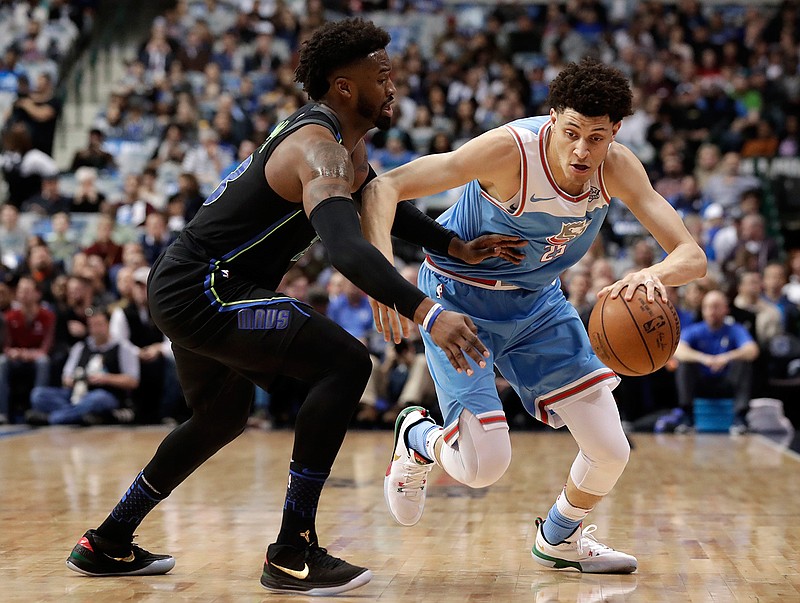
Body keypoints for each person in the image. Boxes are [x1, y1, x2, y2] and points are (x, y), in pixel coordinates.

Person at [65, 19, 521, 596]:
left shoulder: (343, 148)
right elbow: (346, 245)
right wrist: (424, 308)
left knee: (221, 416)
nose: (394, 86)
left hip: (193, 286)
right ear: (345, 87)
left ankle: (106, 541)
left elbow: (378, 203)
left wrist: (452, 245)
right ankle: (291, 551)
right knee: (346, 364)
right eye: (381, 76)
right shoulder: (318, 149)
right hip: (208, 290)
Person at [362, 58, 706, 573]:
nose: (582, 150)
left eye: (596, 136)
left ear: (615, 132)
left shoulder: (617, 166)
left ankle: (559, 537)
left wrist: (654, 275)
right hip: (460, 300)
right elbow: (382, 187)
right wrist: (382, 279)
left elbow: (691, 256)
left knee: (612, 450)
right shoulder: (508, 152)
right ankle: (416, 437)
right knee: (483, 467)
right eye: (571, 133)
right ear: (551, 120)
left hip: (538, 305)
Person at [25, 306, 139, 426]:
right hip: (77, 394)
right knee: (38, 395)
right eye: (92, 325)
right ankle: (80, 415)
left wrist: (105, 378)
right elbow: (66, 378)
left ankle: (51, 419)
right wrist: (77, 379)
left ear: (108, 325)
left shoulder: (123, 347)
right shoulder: (80, 347)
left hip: (106, 394)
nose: (96, 329)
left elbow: (132, 381)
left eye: (99, 324)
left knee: (96, 400)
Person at [674, 289, 759, 431]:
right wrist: (703, 358)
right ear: (703, 310)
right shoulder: (695, 330)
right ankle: (687, 417)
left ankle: (740, 418)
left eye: (716, 306)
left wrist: (726, 358)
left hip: (727, 381)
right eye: (707, 307)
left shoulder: (735, 329)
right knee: (684, 365)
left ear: (726, 309)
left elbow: (752, 350)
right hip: (701, 380)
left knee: (744, 363)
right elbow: (678, 350)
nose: (712, 311)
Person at [0, 277, 55, 424]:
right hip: (16, 359)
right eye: (21, 291)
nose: (24, 294)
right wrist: (12, 352)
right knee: (2, 362)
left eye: (28, 291)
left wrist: (31, 354)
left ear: (37, 294)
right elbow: (5, 345)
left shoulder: (47, 316)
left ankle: (38, 410)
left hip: (36, 358)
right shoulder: (9, 317)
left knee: (43, 361)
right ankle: (2, 413)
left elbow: (46, 347)